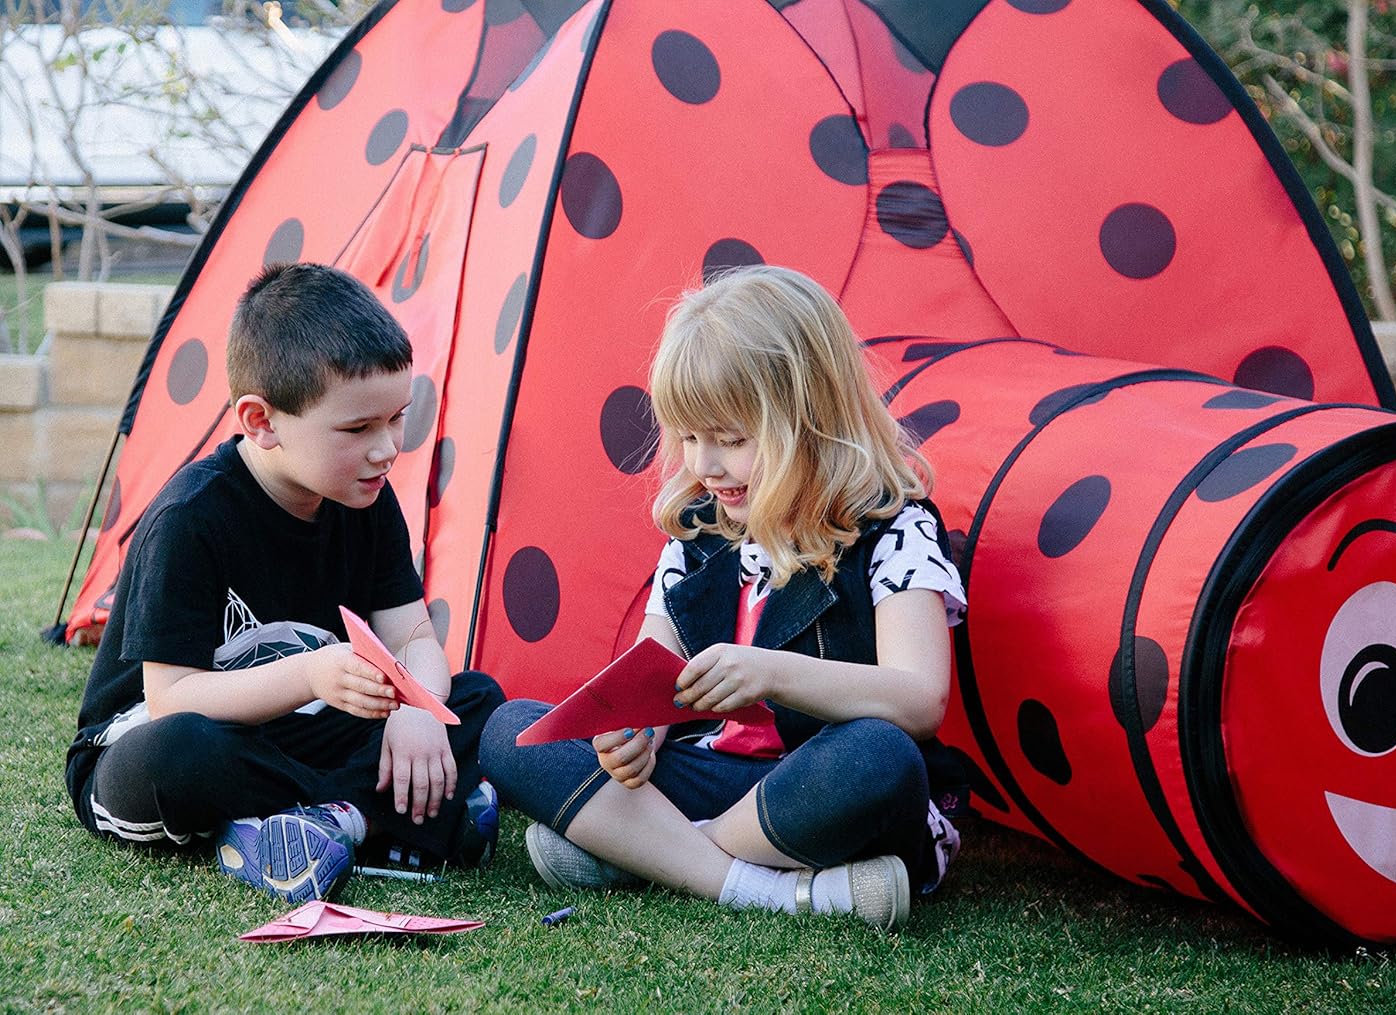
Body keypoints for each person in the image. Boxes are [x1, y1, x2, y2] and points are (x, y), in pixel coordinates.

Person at [480, 265, 966, 931]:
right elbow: (650, 675)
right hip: (718, 781)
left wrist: (770, 672)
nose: (704, 464)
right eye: (688, 437)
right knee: (511, 731)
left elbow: (920, 699)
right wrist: (636, 735)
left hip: (817, 788)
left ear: (812, 420)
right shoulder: (700, 535)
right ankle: (758, 886)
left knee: (878, 755)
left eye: (731, 439)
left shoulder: (893, 530)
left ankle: (646, 853)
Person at [64, 263, 505, 904]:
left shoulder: (366, 496)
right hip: (165, 737)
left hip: (307, 730)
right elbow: (172, 700)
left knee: (475, 699)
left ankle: (321, 827)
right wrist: (310, 675)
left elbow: (411, 634)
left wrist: (418, 707)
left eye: (397, 418)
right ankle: (398, 817)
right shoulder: (191, 518)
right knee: (185, 752)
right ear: (261, 421)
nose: (388, 449)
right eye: (357, 429)